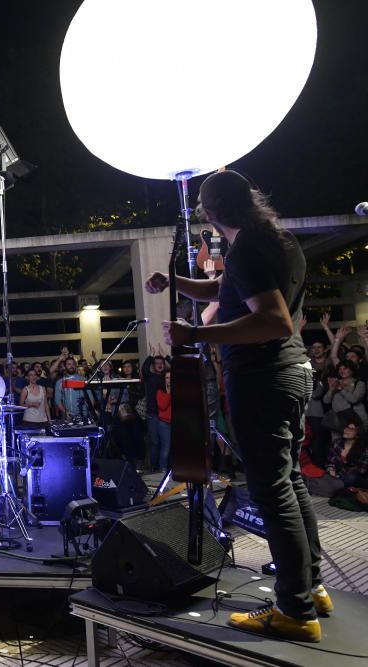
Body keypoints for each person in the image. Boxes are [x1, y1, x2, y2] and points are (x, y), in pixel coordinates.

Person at [146, 169, 326, 642]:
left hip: (262, 378)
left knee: (272, 492)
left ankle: (295, 611)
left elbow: (273, 321)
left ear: (209, 211)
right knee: (289, 483)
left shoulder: (246, 247)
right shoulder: (277, 241)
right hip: (292, 373)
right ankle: (313, 586)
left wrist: (197, 334)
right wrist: (175, 282)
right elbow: (225, 290)